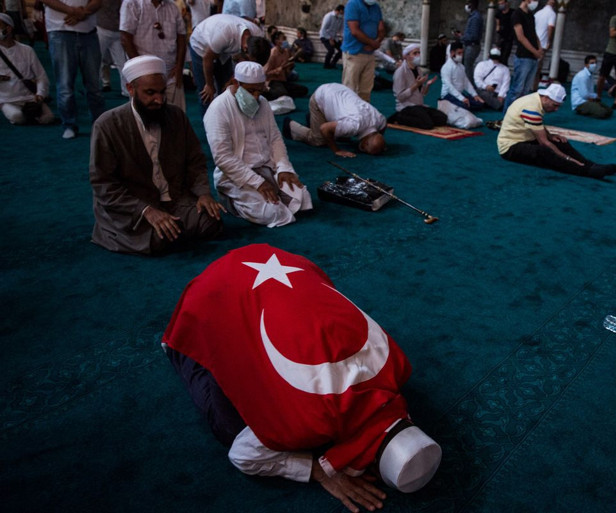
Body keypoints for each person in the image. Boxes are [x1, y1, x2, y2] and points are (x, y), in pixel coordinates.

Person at [162, 243, 443, 513]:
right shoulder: (305, 424)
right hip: (213, 292)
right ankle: (181, 351)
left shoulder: (398, 365)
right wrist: (317, 471)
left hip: (281, 260)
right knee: (229, 428)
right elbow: (243, 455)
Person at [89, 55, 224, 255]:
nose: (159, 100)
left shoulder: (176, 116)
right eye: (150, 93)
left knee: (211, 222)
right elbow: (103, 184)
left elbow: (195, 161)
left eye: (162, 92)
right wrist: (146, 211)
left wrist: (203, 193)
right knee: (159, 240)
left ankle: (174, 226)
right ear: (130, 89)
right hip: (134, 208)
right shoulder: (108, 125)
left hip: (175, 199)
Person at [203, 61, 312, 229]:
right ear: (234, 82)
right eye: (250, 90)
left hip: (267, 168)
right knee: (274, 213)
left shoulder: (263, 103)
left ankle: (265, 194)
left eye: (259, 91)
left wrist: (284, 168)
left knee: (303, 197)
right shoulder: (218, 109)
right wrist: (257, 182)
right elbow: (223, 158)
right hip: (238, 177)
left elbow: (275, 139)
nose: (255, 96)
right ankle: (231, 199)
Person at [498, 83, 616, 179]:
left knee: (560, 141)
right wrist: (566, 157)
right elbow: (544, 143)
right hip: (510, 148)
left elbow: (537, 125)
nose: (556, 110)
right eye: (555, 105)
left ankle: (589, 164)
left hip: (525, 139)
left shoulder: (537, 99)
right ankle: (586, 171)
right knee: (546, 151)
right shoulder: (532, 108)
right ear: (546, 98)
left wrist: (550, 135)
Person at [41, 0, 106, 139]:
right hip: (60, 30)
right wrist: (73, 11)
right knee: (65, 85)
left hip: (88, 32)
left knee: (94, 85)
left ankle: (100, 123)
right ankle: (69, 124)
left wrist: (82, 13)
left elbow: (98, 1)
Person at [283, 82, 387, 158]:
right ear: (365, 145)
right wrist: (337, 150)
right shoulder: (353, 126)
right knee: (319, 140)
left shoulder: (380, 120)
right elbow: (324, 128)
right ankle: (291, 127)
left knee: (341, 134)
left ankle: (315, 119)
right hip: (320, 96)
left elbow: (383, 126)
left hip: (337, 89)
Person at [188, 13, 264, 112]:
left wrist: (231, 79)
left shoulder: (258, 36)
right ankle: (209, 121)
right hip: (201, 45)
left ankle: (227, 117)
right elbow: (208, 58)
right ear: (245, 49)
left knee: (228, 89)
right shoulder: (225, 35)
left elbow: (244, 65)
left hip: (223, 50)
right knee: (206, 93)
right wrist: (209, 85)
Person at [120, 0, 188, 111]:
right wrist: (141, 69)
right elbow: (125, 38)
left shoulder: (172, 6)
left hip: (171, 74)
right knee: (146, 120)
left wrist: (179, 66)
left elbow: (181, 37)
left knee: (176, 118)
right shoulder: (132, 4)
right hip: (143, 77)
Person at [0, 13, 55, 124]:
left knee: (48, 118)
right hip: (7, 99)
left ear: (9, 28)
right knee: (17, 117)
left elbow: (41, 76)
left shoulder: (27, 50)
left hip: (30, 97)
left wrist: (40, 94)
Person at [389, 43, 445, 129]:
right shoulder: (400, 72)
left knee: (442, 118)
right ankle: (399, 117)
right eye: (415, 53)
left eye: (419, 53)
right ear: (406, 56)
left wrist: (428, 85)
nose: (418, 55)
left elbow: (422, 93)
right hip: (406, 106)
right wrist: (416, 85)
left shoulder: (418, 70)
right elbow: (400, 97)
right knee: (427, 124)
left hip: (418, 105)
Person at [502, 0, 542, 114]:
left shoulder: (530, 15)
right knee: (517, 89)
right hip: (524, 56)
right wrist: (535, 51)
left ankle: (518, 114)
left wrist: (539, 49)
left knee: (525, 90)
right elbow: (520, 37)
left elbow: (534, 34)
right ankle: (507, 115)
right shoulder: (517, 14)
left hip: (533, 57)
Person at [341, 0, 385, 102]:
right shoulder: (353, 4)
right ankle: (348, 115)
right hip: (354, 52)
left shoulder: (375, 7)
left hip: (369, 53)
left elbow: (381, 28)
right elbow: (354, 31)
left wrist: (376, 42)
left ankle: (363, 114)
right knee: (350, 88)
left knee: (366, 90)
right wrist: (372, 43)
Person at [96, 0, 127, 97]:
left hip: (117, 30)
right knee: (98, 61)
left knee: (122, 62)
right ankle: (98, 86)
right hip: (102, 28)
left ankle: (126, 90)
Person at [440, 41, 484, 111]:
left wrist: (475, 95)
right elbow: (449, 86)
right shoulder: (446, 67)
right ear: (452, 53)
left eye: (462, 53)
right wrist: (462, 98)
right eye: (459, 53)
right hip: (448, 95)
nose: (461, 55)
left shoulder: (461, 67)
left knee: (479, 103)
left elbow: (466, 82)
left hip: (459, 94)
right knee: (464, 106)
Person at [264, 30, 308, 99]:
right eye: (283, 38)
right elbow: (265, 74)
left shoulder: (286, 52)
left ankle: (283, 93)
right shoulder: (272, 54)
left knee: (304, 90)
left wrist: (290, 67)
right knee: (282, 93)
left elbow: (287, 72)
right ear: (276, 41)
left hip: (283, 80)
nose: (285, 41)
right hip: (272, 81)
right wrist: (277, 70)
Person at [571, 55, 611, 119]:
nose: (594, 65)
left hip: (588, 100)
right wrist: (595, 96)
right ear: (586, 65)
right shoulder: (583, 76)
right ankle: (582, 111)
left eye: (595, 63)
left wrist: (593, 97)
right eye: (592, 63)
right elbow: (584, 95)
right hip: (580, 103)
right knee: (603, 113)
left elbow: (589, 92)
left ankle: (589, 110)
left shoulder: (590, 74)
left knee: (609, 111)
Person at [532, 0, 555, 89]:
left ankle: (532, 86)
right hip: (542, 43)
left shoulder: (538, 13)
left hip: (534, 42)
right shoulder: (552, 14)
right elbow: (550, 27)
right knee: (537, 68)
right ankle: (534, 87)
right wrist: (549, 41)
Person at [461, 0, 482, 85]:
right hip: (470, 45)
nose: (466, 5)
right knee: (467, 67)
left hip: (472, 46)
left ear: (472, 4)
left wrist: (461, 37)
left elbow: (473, 36)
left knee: (468, 69)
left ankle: (470, 88)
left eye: (468, 3)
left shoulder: (475, 18)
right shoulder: (473, 16)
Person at [319, 4, 344, 69]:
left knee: (342, 49)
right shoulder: (329, 16)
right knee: (331, 50)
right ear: (338, 11)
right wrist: (330, 39)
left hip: (334, 36)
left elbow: (342, 30)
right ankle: (326, 65)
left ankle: (333, 63)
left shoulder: (341, 18)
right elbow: (323, 29)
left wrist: (343, 37)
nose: (342, 14)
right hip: (324, 35)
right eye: (342, 12)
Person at [495, 0, 513, 65]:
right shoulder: (498, 14)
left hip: (509, 38)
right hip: (501, 37)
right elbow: (498, 26)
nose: (501, 5)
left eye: (502, 3)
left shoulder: (512, 13)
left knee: (505, 57)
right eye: (499, 4)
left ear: (506, 3)